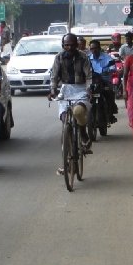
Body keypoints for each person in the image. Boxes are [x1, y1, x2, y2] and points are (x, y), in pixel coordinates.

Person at [49, 33, 94, 172]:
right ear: (63, 45)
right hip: (65, 90)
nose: (69, 47)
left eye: (72, 44)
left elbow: (89, 76)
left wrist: (89, 89)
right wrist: (52, 90)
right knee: (65, 124)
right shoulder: (59, 57)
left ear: (77, 45)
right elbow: (54, 76)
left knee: (78, 112)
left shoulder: (83, 57)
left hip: (81, 90)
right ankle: (66, 161)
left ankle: (84, 134)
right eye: (66, 45)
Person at [88, 39, 118, 124]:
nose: (94, 50)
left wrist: (108, 70)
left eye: (96, 48)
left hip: (104, 81)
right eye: (92, 48)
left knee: (109, 94)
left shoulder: (107, 57)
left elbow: (112, 67)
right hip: (92, 81)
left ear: (99, 48)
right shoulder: (88, 58)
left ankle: (111, 113)